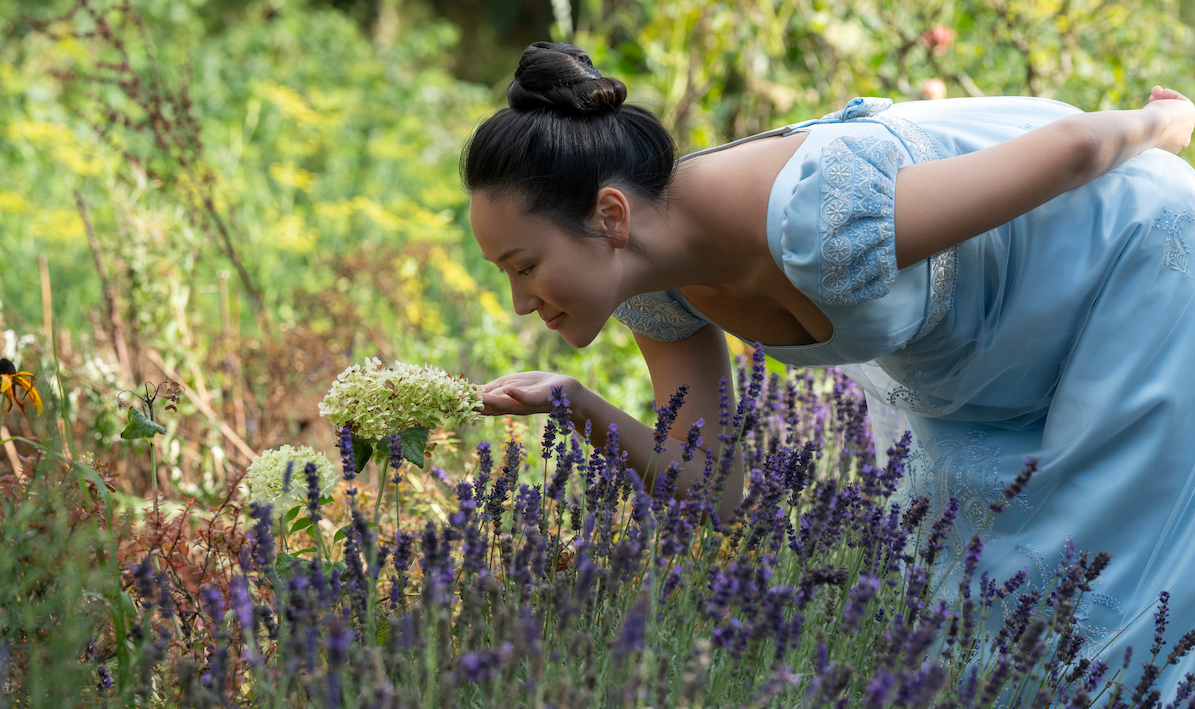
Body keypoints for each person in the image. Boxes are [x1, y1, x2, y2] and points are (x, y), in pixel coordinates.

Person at [464, 41, 1195, 689]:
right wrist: (574, 404)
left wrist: (1170, 124)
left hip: (1131, 265)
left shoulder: (817, 219)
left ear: (612, 217)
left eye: (524, 266)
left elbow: (1071, 150)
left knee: (1115, 582)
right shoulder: (655, 291)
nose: (521, 302)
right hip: (991, 363)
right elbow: (713, 490)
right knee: (970, 612)